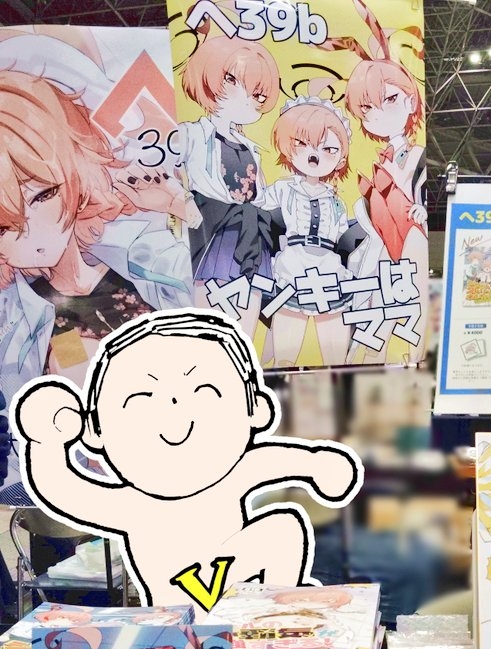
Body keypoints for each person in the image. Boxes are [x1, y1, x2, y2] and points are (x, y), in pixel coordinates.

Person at [13, 308, 362, 618]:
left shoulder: (235, 471)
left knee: (283, 527)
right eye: (141, 399)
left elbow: (285, 461)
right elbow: (63, 490)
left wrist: (320, 465)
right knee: (282, 527)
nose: (173, 407)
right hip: (178, 622)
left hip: (246, 607)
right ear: (95, 430)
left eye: (204, 392)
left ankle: (279, 612)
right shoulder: (131, 506)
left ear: (256, 409)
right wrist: (46, 442)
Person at [0, 69, 194, 503]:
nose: (32, 232)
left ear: (76, 175)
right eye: (6, 226)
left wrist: (177, 205)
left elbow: (218, 297)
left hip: (191, 453)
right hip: (101, 491)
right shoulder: (19, 321)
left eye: (43, 196)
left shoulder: (144, 261)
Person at [322, 0, 427, 362]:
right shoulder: (381, 159)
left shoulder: (415, 155)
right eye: (367, 109)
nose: (378, 115)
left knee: (404, 313)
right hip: (383, 245)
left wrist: (419, 209)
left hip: (409, 240)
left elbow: (417, 195)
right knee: (375, 319)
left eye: (391, 100)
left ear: (411, 102)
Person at [179, 36, 280, 354]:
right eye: (232, 80)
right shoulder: (191, 134)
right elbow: (164, 170)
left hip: (252, 237)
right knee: (208, 325)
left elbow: (261, 196)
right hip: (213, 233)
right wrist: (184, 200)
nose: (246, 99)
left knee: (245, 328)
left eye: (257, 94)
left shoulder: (251, 147)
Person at [255, 97, 353, 367]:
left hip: (328, 264)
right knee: (287, 341)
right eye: (302, 143)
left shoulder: (335, 199)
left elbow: (341, 232)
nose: (314, 155)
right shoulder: (285, 188)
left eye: (328, 149)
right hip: (294, 262)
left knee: (335, 353)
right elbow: (259, 201)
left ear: (340, 157)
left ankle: (338, 386)